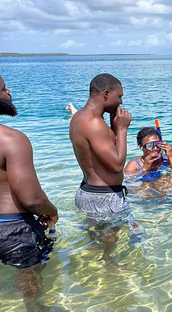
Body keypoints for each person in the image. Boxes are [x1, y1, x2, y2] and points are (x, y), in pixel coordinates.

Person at [0, 75, 59, 310]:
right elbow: (33, 199)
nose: (9, 92)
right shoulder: (11, 140)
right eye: (4, 88)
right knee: (30, 285)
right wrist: (52, 212)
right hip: (13, 229)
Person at [69, 73, 133, 266]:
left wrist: (113, 127)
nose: (121, 101)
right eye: (119, 96)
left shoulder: (79, 117)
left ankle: (92, 269)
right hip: (103, 197)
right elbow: (116, 163)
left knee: (96, 242)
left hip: (89, 191)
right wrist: (122, 129)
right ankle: (109, 266)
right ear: (106, 94)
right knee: (108, 242)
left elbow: (102, 153)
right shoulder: (94, 123)